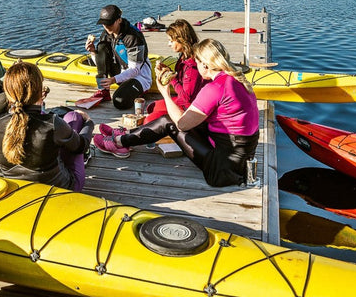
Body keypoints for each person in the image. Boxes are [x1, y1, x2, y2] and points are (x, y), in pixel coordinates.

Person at [94, 38, 259, 187]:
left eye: (197, 62)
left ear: (206, 65)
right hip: (241, 158)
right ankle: (124, 137)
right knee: (176, 118)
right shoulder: (237, 80)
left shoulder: (215, 88)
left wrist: (165, 93)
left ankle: (120, 142)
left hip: (223, 169)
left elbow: (181, 124)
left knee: (169, 122)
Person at [0, 62, 94, 190]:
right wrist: (89, 122)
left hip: (16, 188)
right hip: (61, 190)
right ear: (38, 89)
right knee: (73, 118)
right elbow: (81, 146)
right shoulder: (52, 124)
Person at [85, 4, 152, 110]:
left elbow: (135, 70)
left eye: (110, 24)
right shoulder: (106, 34)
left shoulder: (133, 37)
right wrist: (93, 52)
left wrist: (114, 79)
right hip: (119, 74)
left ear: (119, 20)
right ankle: (104, 90)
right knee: (101, 47)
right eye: (104, 24)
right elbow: (101, 62)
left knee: (119, 101)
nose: (106, 27)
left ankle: (136, 92)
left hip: (139, 76)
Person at [143, 19, 203, 123]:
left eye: (171, 41)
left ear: (182, 40)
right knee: (152, 107)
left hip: (191, 107)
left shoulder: (192, 66)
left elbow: (186, 98)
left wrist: (171, 78)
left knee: (149, 120)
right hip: (183, 101)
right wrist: (168, 71)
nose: (168, 44)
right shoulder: (184, 56)